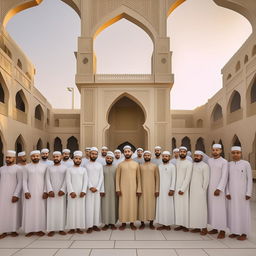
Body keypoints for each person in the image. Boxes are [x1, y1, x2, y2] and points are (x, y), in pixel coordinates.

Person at [226, 146, 253, 241]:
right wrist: (227, 192)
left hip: (243, 194)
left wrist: (248, 192)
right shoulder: (229, 164)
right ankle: (235, 231)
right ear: (231, 154)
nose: (235, 154)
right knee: (233, 212)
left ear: (241, 153)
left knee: (243, 212)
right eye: (233, 153)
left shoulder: (246, 164)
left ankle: (244, 232)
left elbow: (249, 179)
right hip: (232, 194)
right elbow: (227, 179)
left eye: (237, 153)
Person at [22, 150, 48, 237]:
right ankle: (30, 230)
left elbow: (46, 180)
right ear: (31, 157)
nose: (35, 157)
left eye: (37, 156)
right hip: (30, 192)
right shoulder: (26, 167)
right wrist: (26, 191)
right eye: (33, 156)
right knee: (30, 210)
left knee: (40, 210)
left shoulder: (44, 167)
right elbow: (24, 180)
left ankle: (39, 229)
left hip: (41, 192)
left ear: (39, 156)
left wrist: (45, 191)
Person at [116, 145, 141, 230]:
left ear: (131, 153)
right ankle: (123, 223)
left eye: (128, 151)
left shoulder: (136, 164)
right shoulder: (120, 165)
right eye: (125, 152)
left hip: (133, 189)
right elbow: (117, 178)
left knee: (132, 205)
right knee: (123, 205)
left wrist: (139, 189)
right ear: (123, 153)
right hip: (123, 189)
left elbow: (139, 178)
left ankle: (132, 222)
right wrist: (118, 189)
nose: (127, 153)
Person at [207, 144, 228, 239]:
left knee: (220, 209)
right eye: (213, 150)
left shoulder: (224, 162)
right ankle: (215, 227)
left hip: (219, 190)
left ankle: (222, 230)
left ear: (220, 151)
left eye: (217, 150)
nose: (215, 152)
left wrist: (219, 188)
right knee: (212, 208)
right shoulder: (209, 160)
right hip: (210, 188)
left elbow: (224, 176)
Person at [0, 150, 22, 239]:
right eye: (7, 157)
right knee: (3, 212)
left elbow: (20, 182)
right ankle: (3, 230)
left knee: (13, 211)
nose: (8, 159)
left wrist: (16, 194)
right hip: (3, 193)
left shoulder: (18, 168)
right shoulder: (1, 168)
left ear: (14, 158)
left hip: (13, 193)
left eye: (10, 157)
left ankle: (13, 230)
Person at [66, 151, 88, 234]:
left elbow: (85, 181)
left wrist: (83, 191)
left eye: (79, 159)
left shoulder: (84, 170)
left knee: (80, 210)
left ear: (81, 160)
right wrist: (71, 192)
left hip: (81, 193)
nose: (78, 160)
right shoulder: (69, 169)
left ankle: (79, 227)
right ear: (73, 159)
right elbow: (68, 181)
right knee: (71, 210)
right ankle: (72, 228)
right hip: (72, 193)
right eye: (76, 158)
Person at [46, 151, 67, 236]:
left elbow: (66, 180)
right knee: (51, 210)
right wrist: (50, 190)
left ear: (61, 157)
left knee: (61, 210)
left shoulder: (65, 168)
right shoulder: (49, 168)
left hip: (61, 193)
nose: (56, 158)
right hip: (52, 193)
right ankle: (51, 229)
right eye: (54, 157)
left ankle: (61, 228)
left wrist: (63, 189)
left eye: (57, 156)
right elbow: (47, 179)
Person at [189, 151, 209, 235]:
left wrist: (203, 190)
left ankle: (204, 227)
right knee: (194, 209)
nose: (196, 157)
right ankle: (197, 226)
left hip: (200, 191)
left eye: (198, 156)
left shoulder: (205, 166)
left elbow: (206, 179)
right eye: (195, 156)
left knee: (202, 210)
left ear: (202, 157)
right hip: (192, 191)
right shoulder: (192, 165)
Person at [85, 147, 104, 233]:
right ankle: (89, 226)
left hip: (97, 189)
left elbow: (101, 177)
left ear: (97, 155)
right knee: (89, 207)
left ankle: (96, 225)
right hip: (89, 190)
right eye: (92, 154)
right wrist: (90, 187)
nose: (94, 155)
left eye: (95, 154)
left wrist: (98, 188)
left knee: (97, 207)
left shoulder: (99, 165)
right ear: (89, 154)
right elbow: (85, 177)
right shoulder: (85, 165)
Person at [139, 151, 159, 230]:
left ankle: (151, 223)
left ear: (150, 156)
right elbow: (138, 178)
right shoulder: (140, 166)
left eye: (148, 155)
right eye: (145, 155)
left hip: (152, 189)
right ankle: (142, 223)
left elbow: (157, 178)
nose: (147, 156)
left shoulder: (154, 166)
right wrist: (139, 189)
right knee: (142, 205)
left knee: (151, 206)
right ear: (144, 157)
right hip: (142, 189)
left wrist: (157, 189)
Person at [155, 151, 176, 230]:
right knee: (161, 207)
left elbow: (174, 178)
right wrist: (156, 189)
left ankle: (168, 224)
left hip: (168, 190)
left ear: (169, 157)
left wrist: (172, 189)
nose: (165, 158)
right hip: (160, 190)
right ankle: (162, 223)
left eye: (166, 156)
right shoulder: (159, 166)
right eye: (163, 156)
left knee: (168, 207)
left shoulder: (172, 166)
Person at [174, 146, 193, 232]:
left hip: (184, 189)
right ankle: (180, 224)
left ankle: (186, 225)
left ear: (186, 153)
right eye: (180, 151)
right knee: (178, 207)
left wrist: (183, 189)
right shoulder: (177, 162)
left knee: (185, 207)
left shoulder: (189, 163)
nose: (182, 153)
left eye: (183, 152)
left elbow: (188, 177)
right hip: (176, 188)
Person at [101, 151, 118, 230]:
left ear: (112, 159)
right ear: (105, 159)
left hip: (114, 190)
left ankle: (113, 223)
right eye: (107, 158)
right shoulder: (102, 168)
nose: (108, 159)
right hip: (105, 191)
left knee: (113, 206)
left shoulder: (116, 168)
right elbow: (100, 180)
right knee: (105, 206)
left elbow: (118, 180)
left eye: (110, 158)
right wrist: (101, 190)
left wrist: (117, 189)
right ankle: (106, 223)